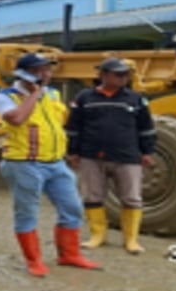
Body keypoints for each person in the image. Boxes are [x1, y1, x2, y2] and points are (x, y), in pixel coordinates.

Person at [0, 52, 101, 277]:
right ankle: (34, 261)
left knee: (72, 208)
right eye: (39, 70)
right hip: (23, 163)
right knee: (27, 212)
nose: (46, 74)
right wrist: (34, 93)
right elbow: (16, 118)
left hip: (55, 163)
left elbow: (59, 123)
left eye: (48, 70)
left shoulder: (53, 94)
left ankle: (69, 255)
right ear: (23, 74)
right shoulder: (6, 96)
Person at [66, 57, 156, 255]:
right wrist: (72, 152)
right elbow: (74, 127)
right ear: (103, 75)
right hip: (91, 156)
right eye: (118, 74)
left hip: (127, 156)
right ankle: (98, 235)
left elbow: (146, 128)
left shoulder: (135, 99)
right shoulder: (84, 98)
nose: (123, 78)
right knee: (92, 196)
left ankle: (131, 239)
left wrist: (148, 151)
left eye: (125, 74)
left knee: (131, 198)